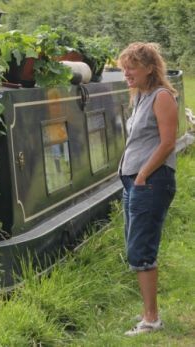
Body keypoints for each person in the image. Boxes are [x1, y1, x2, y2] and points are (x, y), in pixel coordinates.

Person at [117, 42, 178, 336]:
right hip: (136, 182)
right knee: (136, 248)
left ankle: (151, 319)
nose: (126, 73)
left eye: (132, 67)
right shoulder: (140, 96)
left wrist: (141, 175)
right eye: (124, 67)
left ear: (150, 68)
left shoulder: (162, 96)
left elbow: (168, 143)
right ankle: (148, 315)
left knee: (141, 250)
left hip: (151, 182)